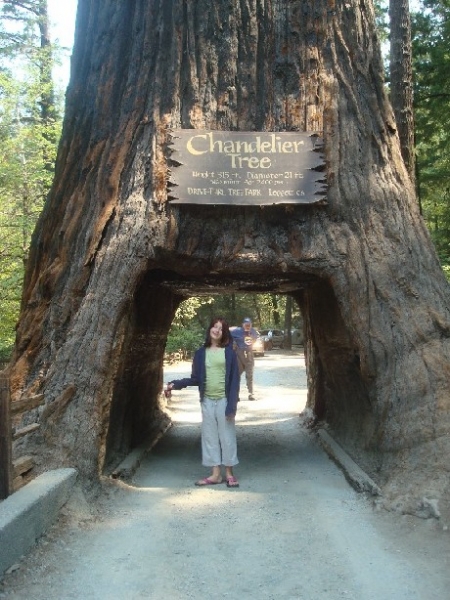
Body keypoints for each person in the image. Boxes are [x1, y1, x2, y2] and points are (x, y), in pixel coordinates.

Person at [165, 317, 240, 488]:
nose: (217, 330)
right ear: (209, 330)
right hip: (207, 401)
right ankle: (215, 474)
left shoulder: (229, 353)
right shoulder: (200, 354)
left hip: (224, 400)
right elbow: (196, 379)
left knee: (227, 437)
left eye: (220, 328)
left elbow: (235, 381)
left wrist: (232, 405)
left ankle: (229, 473)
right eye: (214, 326)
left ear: (224, 333)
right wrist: (175, 384)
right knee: (210, 438)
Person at [230, 317, 258, 400]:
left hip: (249, 354)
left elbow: (254, 340)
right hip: (239, 355)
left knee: (250, 375)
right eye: (246, 325)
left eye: (249, 325)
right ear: (243, 325)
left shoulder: (253, 332)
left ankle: (251, 394)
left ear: (251, 325)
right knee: (236, 375)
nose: (247, 326)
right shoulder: (237, 331)